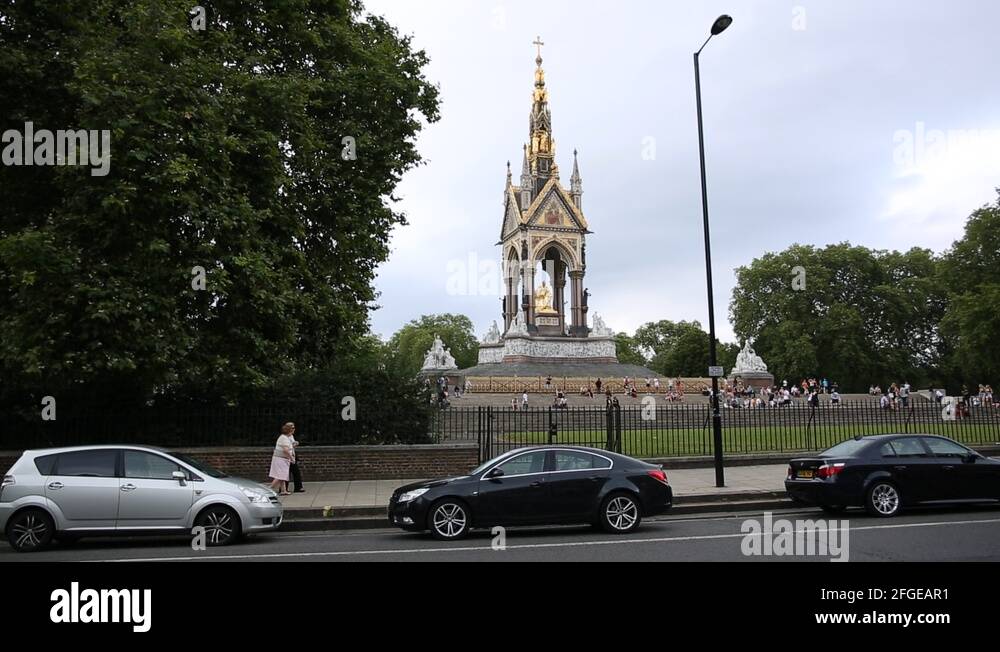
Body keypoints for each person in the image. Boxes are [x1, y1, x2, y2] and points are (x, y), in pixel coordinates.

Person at [269, 425, 295, 496]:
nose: (294, 430)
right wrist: (291, 458)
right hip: (280, 459)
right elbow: (286, 450)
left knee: (282, 475)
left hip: (282, 459)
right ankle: (269, 489)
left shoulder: (285, 437)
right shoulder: (284, 438)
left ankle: (284, 490)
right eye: (292, 429)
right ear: (289, 430)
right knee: (280, 476)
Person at [286, 422, 305, 493]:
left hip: (292, 455)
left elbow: (292, 443)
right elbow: (286, 447)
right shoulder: (285, 436)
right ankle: (284, 488)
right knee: (286, 473)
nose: (294, 429)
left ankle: (298, 487)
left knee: (296, 472)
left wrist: (295, 443)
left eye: (294, 428)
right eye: (292, 428)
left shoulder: (291, 436)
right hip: (288, 456)